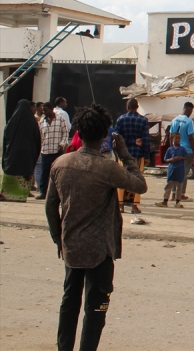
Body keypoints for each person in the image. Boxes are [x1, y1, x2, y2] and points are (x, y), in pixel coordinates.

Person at [45, 103, 147, 351]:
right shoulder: (107, 168)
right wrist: (124, 153)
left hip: (71, 246)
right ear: (105, 135)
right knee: (96, 308)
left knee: (69, 302)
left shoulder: (60, 164)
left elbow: (50, 207)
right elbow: (140, 185)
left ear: (78, 132)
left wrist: (59, 239)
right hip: (100, 249)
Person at [1, 100, 41, 202]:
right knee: (24, 173)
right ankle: (20, 196)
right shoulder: (32, 122)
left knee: (11, 172)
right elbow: (37, 139)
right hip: (27, 154)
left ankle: (6, 195)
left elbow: (6, 137)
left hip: (12, 154)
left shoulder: (12, 121)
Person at [114, 99, 150, 214]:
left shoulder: (121, 119)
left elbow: (116, 137)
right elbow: (146, 139)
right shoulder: (143, 120)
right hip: (138, 154)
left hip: (123, 154)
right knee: (137, 178)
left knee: (121, 178)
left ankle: (121, 205)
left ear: (127, 107)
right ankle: (134, 206)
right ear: (137, 106)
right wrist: (147, 156)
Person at [166, 102, 194, 202]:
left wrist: (171, 148)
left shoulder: (174, 120)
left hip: (175, 149)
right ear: (189, 110)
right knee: (184, 173)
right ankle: (181, 194)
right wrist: (193, 151)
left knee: (175, 172)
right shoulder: (189, 121)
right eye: (191, 111)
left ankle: (173, 194)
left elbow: (170, 136)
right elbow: (191, 138)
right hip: (186, 149)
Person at [38, 101, 68, 200]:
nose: (44, 112)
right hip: (45, 151)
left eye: (46, 110)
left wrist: (62, 144)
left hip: (57, 150)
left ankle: (58, 193)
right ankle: (43, 192)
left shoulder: (60, 119)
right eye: (43, 110)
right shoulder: (42, 121)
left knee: (57, 173)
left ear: (51, 109)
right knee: (44, 172)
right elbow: (41, 135)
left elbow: (65, 133)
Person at [156, 134, 190, 208]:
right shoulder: (170, 149)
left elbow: (186, 157)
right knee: (169, 185)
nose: (177, 140)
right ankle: (165, 201)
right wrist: (171, 159)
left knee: (179, 186)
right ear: (172, 139)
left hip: (180, 169)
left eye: (179, 138)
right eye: (176, 138)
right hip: (171, 169)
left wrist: (180, 158)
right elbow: (165, 159)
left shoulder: (182, 149)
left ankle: (177, 201)